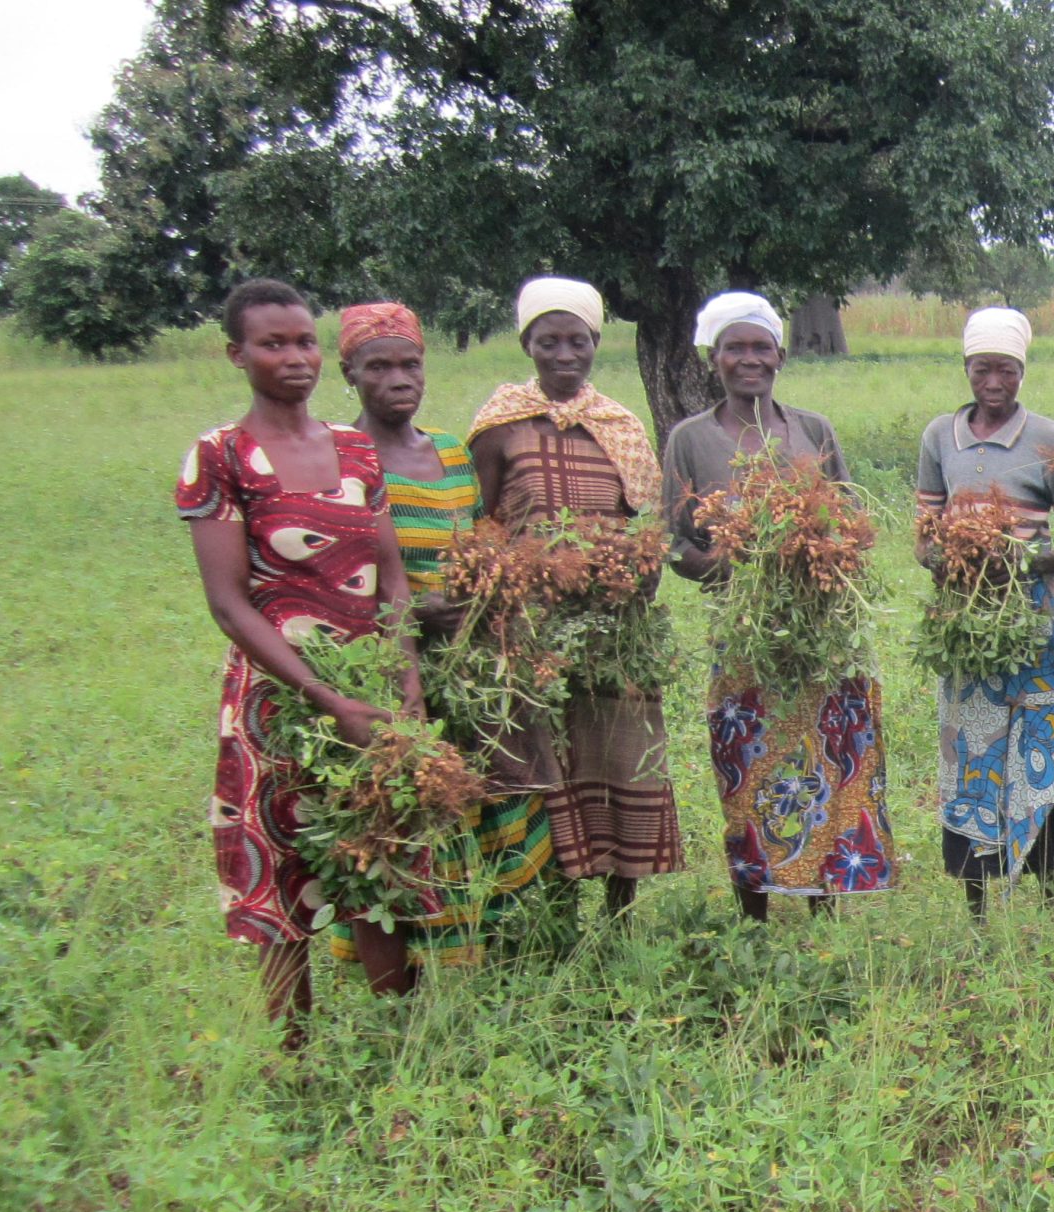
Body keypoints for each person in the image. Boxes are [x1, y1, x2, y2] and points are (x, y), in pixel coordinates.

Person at [178, 278, 422, 1034]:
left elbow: (390, 575)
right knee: (281, 876)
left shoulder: (354, 450)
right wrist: (326, 698)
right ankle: (296, 1053)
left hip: (366, 695)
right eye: (272, 344)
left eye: (304, 342)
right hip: (280, 703)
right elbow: (229, 604)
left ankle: (399, 1043)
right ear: (236, 354)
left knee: (376, 861)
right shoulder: (220, 456)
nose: (293, 358)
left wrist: (405, 677)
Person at [662, 291, 894, 920]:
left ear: (781, 356)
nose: (748, 360)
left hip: (821, 638)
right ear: (715, 359)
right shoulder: (690, 440)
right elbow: (677, 545)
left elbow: (850, 522)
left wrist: (815, 550)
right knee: (746, 773)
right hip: (745, 639)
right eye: (734, 348)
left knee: (824, 769)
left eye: (760, 347)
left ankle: (824, 910)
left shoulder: (811, 430)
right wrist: (737, 563)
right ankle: (755, 914)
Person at [337, 300, 553, 965]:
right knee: (414, 806)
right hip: (390, 661)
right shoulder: (340, 459)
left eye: (410, 364)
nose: (399, 379)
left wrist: (490, 597)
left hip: (469, 659)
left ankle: (492, 951)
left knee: (484, 790)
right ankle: (414, 965)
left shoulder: (453, 453)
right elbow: (345, 575)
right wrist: (418, 615)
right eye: (379, 366)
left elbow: (480, 545)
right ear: (350, 373)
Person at [468, 275, 683, 916]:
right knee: (544, 758)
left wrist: (637, 575)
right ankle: (554, 910)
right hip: (533, 627)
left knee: (621, 755)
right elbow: (480, 524)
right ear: (527, 344)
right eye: (549, 341)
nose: (565, 354)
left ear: (594, 344)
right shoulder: (499, 426)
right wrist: (513, 580)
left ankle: (620, 907)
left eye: (578, 341)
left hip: (615, 626)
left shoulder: (617, 426)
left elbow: (648, 522)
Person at [914, 306, 1054, 914]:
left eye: (1006, 371)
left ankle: (1046, 894)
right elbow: (924, 540)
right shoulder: (939, 437)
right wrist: (959, 557)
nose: (994, 383)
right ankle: (979, 903)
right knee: (974, 753)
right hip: (967, 622)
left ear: (1022, 371)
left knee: (1042, 744)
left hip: (1034, 621)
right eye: (983, 370)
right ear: (966, 368)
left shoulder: (1049, 439)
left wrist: (1023, 559)